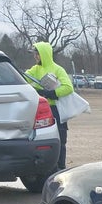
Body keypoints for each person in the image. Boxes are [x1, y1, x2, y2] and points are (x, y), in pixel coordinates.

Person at [27, 41, 74, 170]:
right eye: (34, 54)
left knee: (60, 139)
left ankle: (60, 166)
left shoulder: (58, 69)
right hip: (41, 109)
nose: (35, 57)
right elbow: (24, 79)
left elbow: (68, 88)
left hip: (56, 109)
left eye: (37, 54)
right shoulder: (35, 69)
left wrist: (51, 93)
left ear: (44, 54)